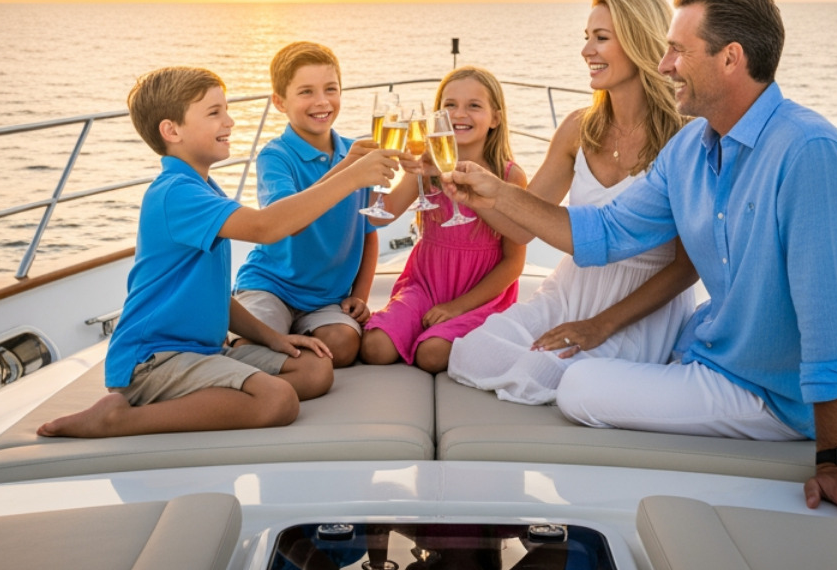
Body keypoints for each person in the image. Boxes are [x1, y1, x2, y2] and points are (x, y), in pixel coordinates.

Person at [445, 0, 837, 525]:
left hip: (764, 392)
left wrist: (836, 460)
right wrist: (498, 193)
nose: (664, 66)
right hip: (708, 352)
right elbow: (606, 232)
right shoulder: (690, 148)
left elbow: (834, 322)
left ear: (731, 58)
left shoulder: (811, 155)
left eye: (678, 51)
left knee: (580, 387)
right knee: (542, 370)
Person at [39, 66, 399, 438]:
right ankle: (118, 419)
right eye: (214, 113)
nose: (229, 121)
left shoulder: (204, 187)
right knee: (277, 401)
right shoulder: (176, 193)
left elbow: (213, 295)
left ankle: (207, 388)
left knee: (314, 370)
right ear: (171, 131)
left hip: (204, 350)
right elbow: (267, 227)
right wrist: (352, 176)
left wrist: (273, 338)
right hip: (154, 359)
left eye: (226, 109)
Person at [448, 0, 698, 405]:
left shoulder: (686, 137)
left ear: (640, 43)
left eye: (601, 38)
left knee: (539, 372)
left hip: (638, 307)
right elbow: (521, 228)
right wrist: (474, 195)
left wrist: (600, 325)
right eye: (586, 38)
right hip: (569, 290)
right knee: (470, 351)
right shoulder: (579, 128)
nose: (586, 51)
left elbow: (687, 268)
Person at [360, 66, 527, 374]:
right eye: (450, 105)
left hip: (480, 294)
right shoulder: (428, 169)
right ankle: (414, 329)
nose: (459, 114)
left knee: (432, 354)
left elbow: (513, 263)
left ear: (495, 119)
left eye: (473, 106)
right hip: (425, 283)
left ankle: (449, 335)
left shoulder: (509, 176)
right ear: (437, 116)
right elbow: (384, 216)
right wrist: (365, 172)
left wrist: (457, 308)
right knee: (375, 347)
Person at [233, 42, 383, 368]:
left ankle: (292, 350)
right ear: (279, 102)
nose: (321, 101)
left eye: (331, 89)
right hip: (271, 285)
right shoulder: (276, 156)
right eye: (306, 92)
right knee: (250, 346)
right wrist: (347, 172)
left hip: (327, 299)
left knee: (343, 347)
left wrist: (360, 295)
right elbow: (289, 220)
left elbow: (368, 231)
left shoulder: (355, 152)